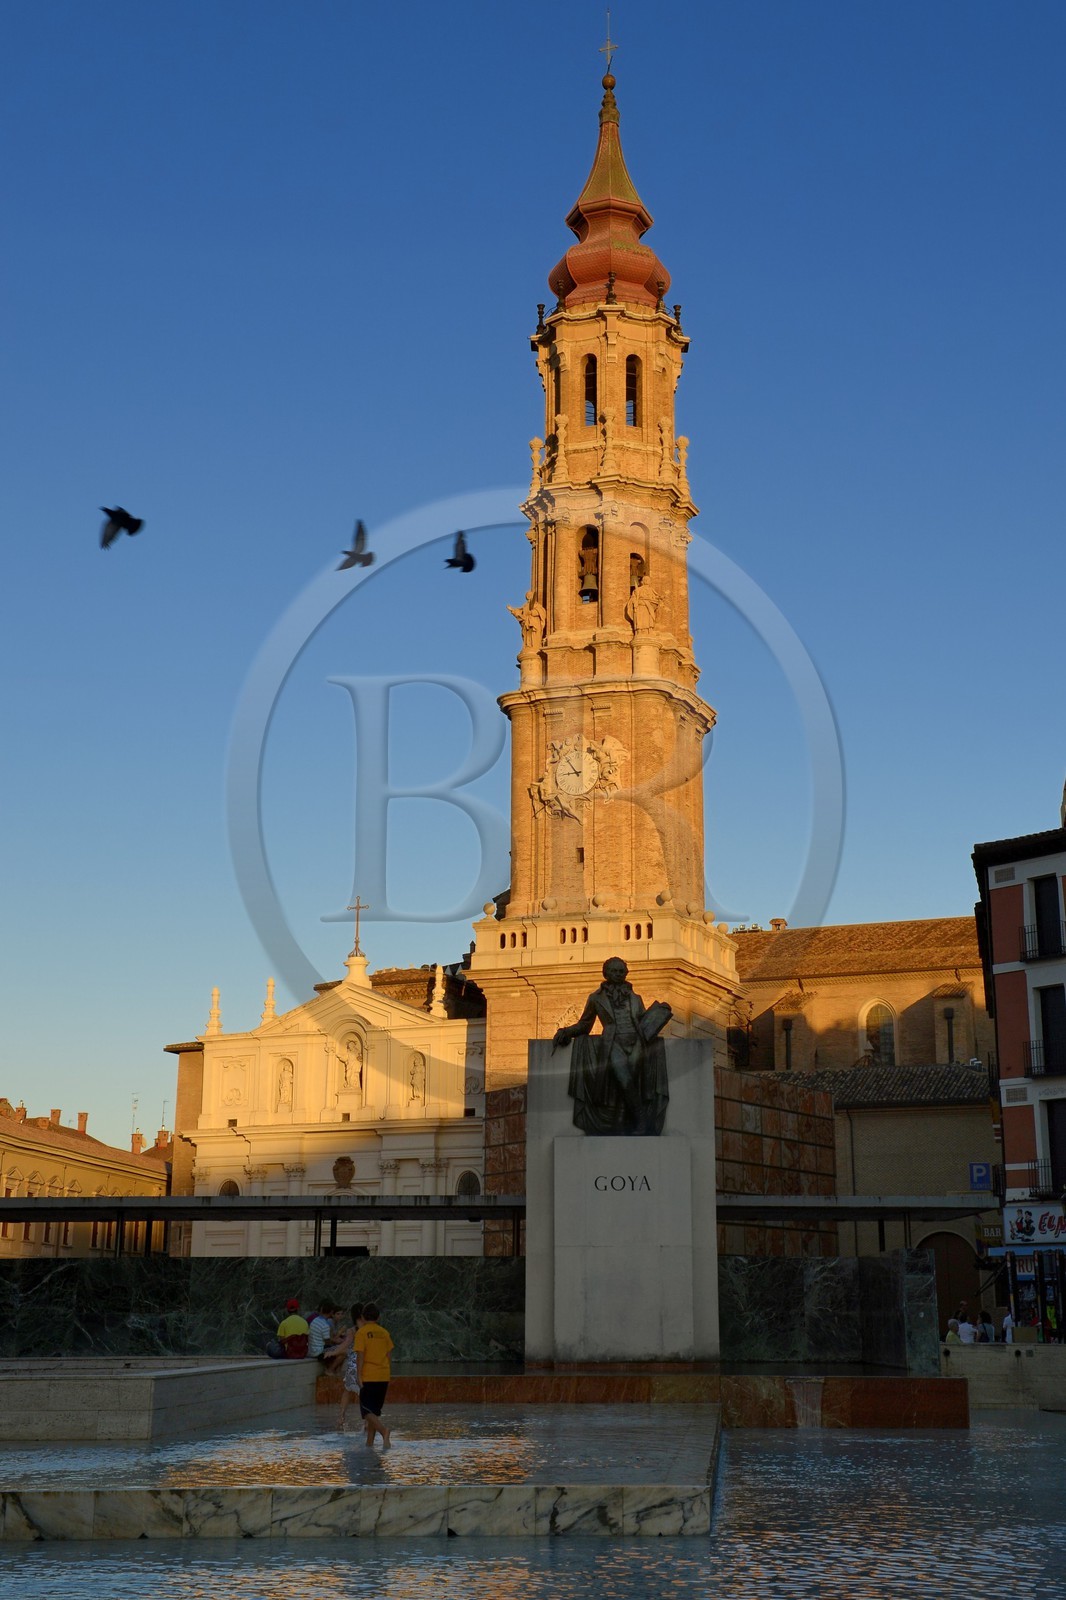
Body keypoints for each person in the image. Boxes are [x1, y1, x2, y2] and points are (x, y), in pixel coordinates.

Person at [354, 1301, 395, 1448]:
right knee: (374, 1411)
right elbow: (389, 1354)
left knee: (366, 1412)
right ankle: (369, 1443)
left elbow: (360, 1356)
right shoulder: (384, 1333)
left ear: (363, 1318)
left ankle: (384, 1431)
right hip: (383, 1375)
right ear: (378, 1318)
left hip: (369, 1376)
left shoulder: (362, 1333)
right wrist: (385, 1369)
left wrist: (359, 1376)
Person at [326, 1303, 364, 1430]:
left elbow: (346, 1345)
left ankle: (341, 1417)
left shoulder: (352, 1331)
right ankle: (368, 1422)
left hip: (353, 1364)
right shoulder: (369, 1329)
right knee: (364, 1394)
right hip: (365, 1364)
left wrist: (333, 1352)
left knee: (347, 1391)